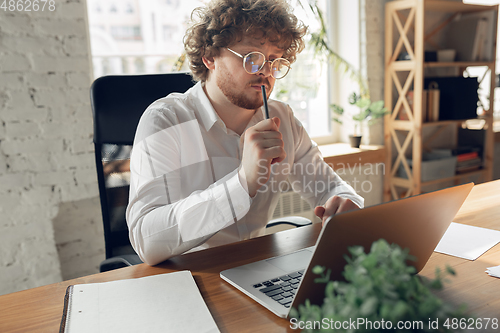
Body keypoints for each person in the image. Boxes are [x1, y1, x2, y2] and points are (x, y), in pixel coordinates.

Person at [126, 0, 364, 266]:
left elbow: (329, 187)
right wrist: (242, 182)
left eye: (274, 61)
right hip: (188, 279)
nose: (265, 72)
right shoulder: (166, 121)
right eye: (252, 57)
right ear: (209, 56)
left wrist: (345, 201)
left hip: (256, 270)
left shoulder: (281, 118)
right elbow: (146, 241)